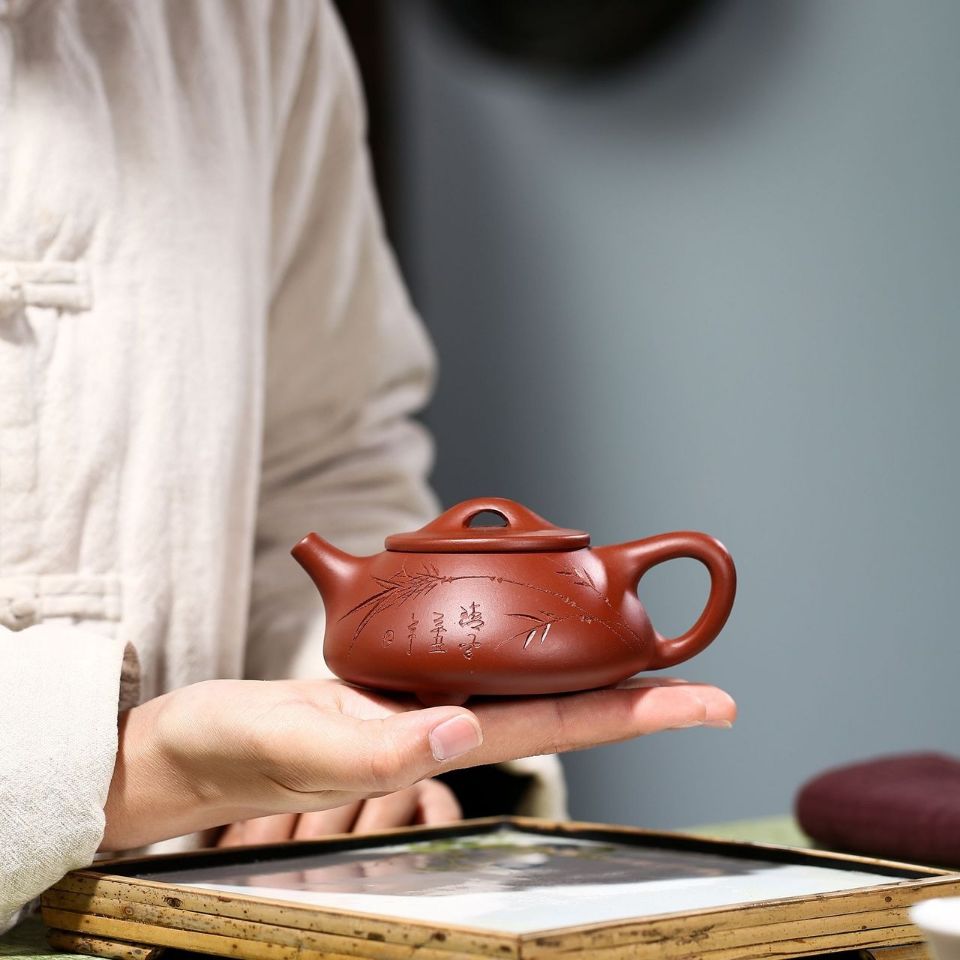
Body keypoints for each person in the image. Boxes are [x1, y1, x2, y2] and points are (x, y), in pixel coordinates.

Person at [0, 0, 736, 933]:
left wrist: (371, 749)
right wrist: (121, 767)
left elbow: (328, 450)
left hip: (222, 901)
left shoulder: (255, 21)